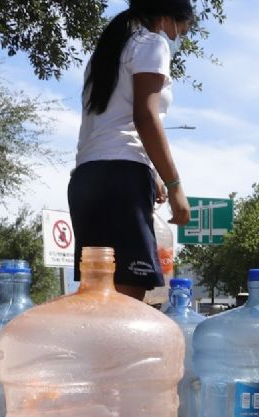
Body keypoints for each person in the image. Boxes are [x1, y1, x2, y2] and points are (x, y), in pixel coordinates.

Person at [69, 0, 192, 301]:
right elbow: (145, 117)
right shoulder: (151, 44)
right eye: (180, 33)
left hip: (86, 179)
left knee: (96, 298)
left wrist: (152, 173)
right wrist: (175, 186)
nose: (176, 41)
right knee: (125, 302)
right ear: (166, 19)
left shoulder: (106, 55)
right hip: (121, 181)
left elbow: (111, 123)